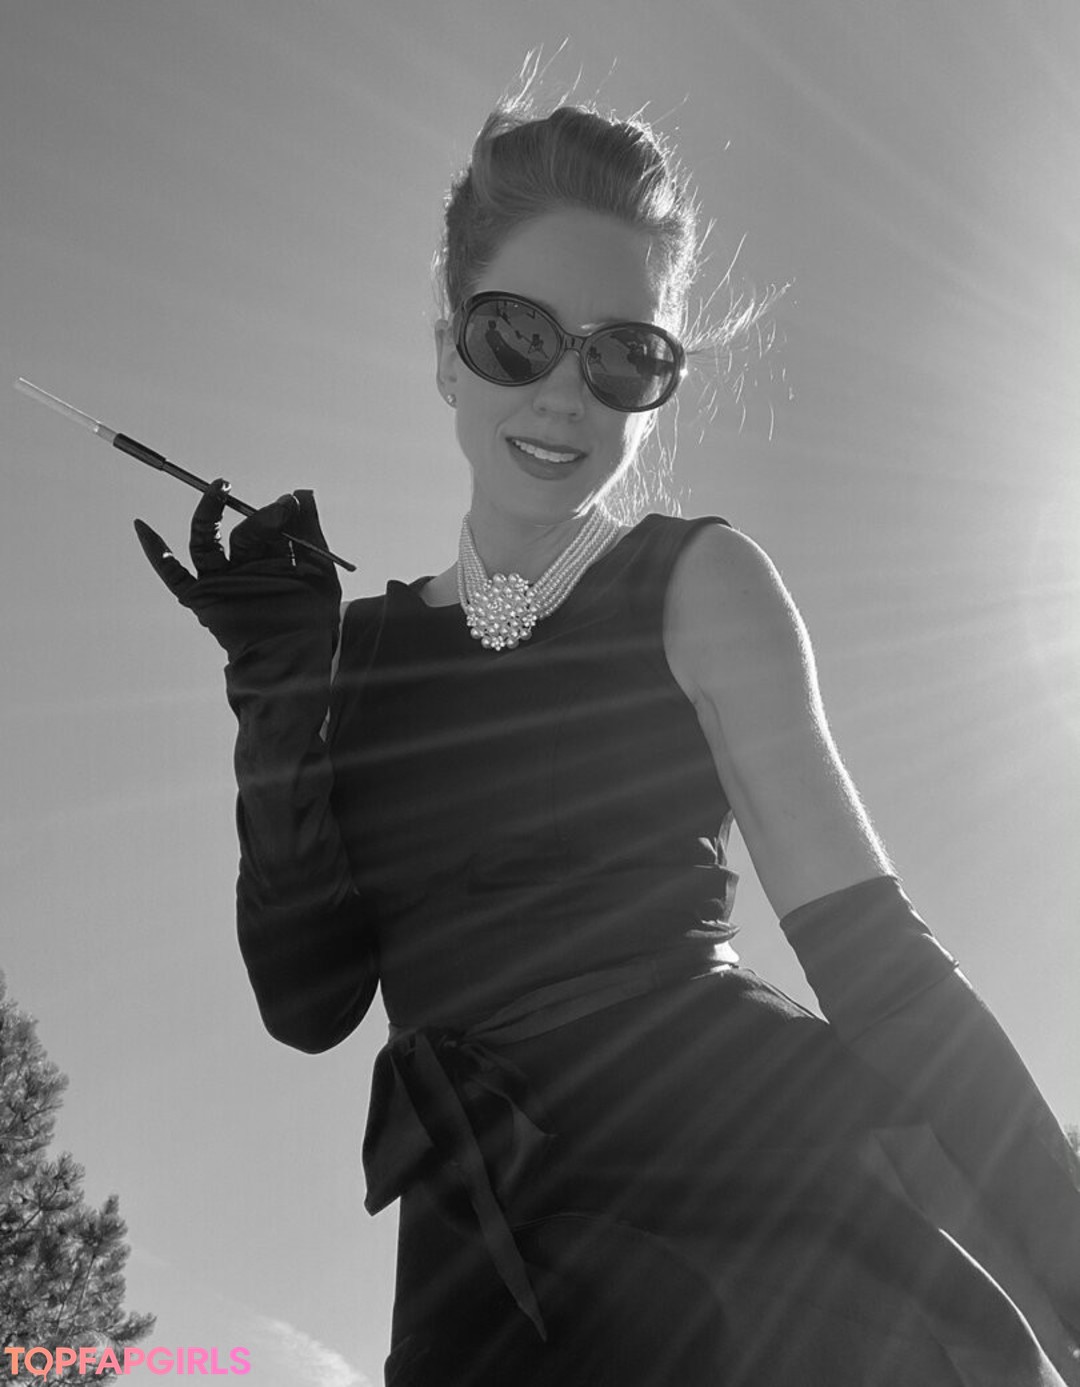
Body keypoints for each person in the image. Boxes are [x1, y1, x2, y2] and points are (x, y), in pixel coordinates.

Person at [135, 97, 1080, 1386]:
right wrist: (275, 695)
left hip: (754, 1220)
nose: (564, 394)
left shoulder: (700, 583)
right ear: (447, 348)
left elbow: (883, 966)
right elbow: (309, 1004)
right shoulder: (355, 652)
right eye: (517, 335)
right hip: (486, 1259)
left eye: (624, 357)